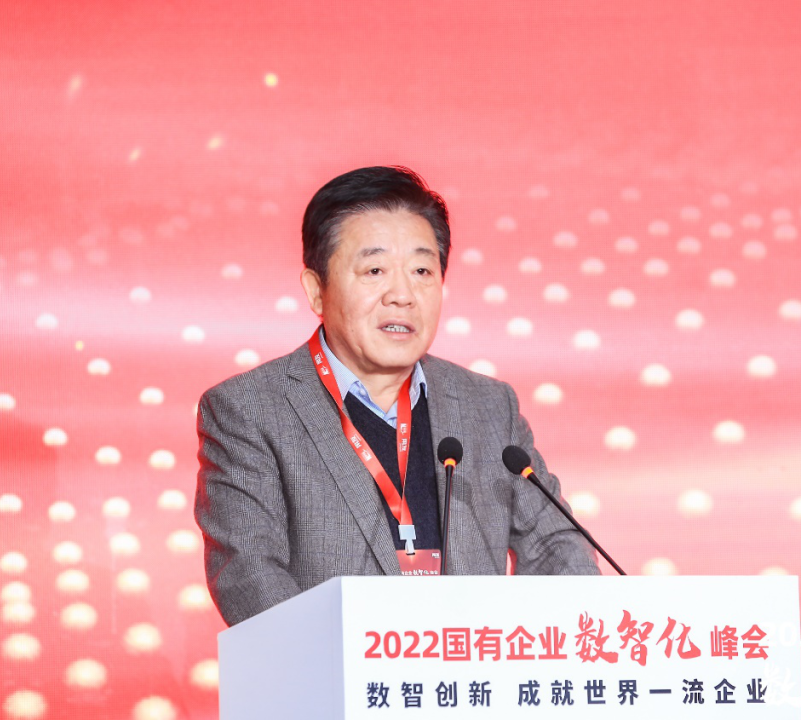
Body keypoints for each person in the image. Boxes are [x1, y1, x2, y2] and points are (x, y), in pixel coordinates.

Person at [195, 166, 599, 626]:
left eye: (422, 271)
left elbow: (555, 545)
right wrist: (356, 660)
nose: (403, 295)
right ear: (316, 290)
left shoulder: (489, 406)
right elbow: (249, 577)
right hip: (333, 669)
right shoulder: (248, 410)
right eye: (375, 270)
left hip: (471, 668)